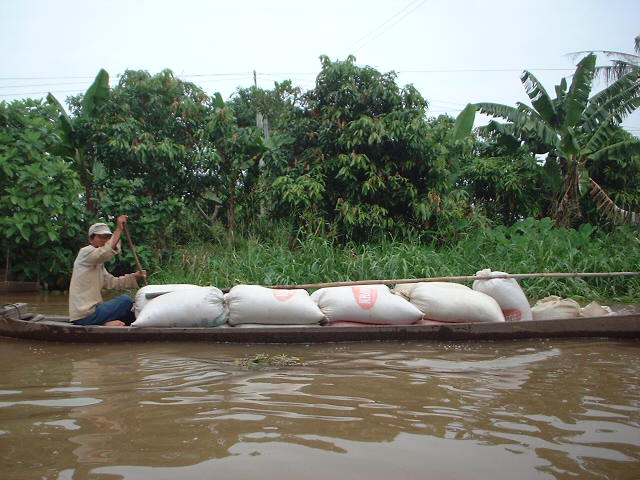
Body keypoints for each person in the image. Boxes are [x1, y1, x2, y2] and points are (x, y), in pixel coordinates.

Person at [69, 215, 147, 326]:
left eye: (107, 238)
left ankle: (110, 323)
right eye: (101, 237)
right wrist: (119, 229)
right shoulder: (85, 253)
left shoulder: (97, 264)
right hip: (85, 316)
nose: (105, 241)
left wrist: (134, 276)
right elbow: (104, 252)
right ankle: (104, 323)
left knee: (131, 310)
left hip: (94, 313)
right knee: (125, 300)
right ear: (91, 239)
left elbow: (112, 282)